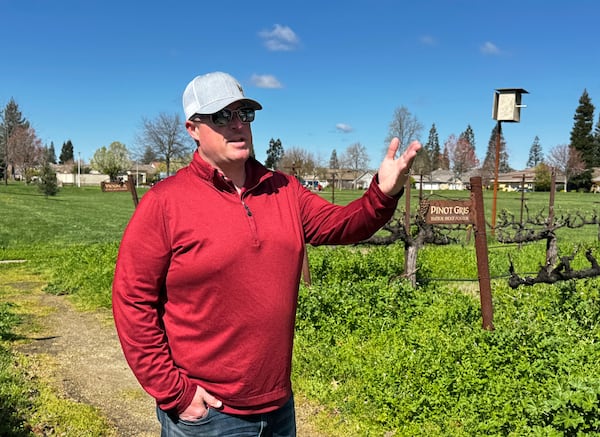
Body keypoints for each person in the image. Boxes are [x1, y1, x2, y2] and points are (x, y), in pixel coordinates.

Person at [112, 71, 421, 436]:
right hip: (207, 414)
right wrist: (175, 393)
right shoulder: (165, 202)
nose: (237, 125)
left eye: (244, 114)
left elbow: (343, 225)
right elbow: (132, 301)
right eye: (222, 116)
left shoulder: (284, 189)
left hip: (277, 408)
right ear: (192, 128)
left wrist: (382, 193)